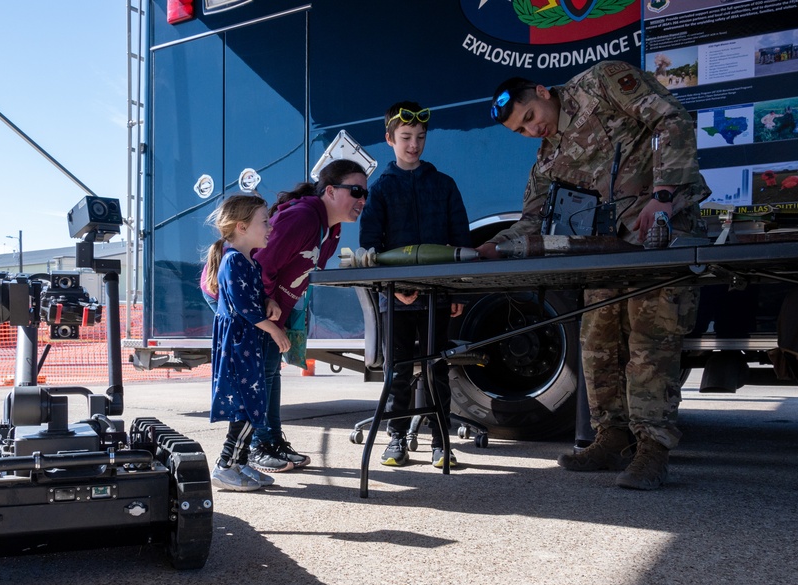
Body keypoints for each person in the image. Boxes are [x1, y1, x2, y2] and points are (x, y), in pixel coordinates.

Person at [479, 61, 711, 490]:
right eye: (521, 131)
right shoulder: (548, 156)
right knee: (597, 341)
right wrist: (492, 247)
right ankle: (611, 438)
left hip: (657, 234)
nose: (532, 131)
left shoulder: (602, 84)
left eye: (530, 118)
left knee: (650, 342)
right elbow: (534, 217)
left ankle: (652, 451)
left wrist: (663, 195)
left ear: (543, 92)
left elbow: (669, 116)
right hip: (606, 252)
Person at [359, 101, 471, 468]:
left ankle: (442, 444)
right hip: (397, 297)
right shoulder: (381, 190)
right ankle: (396, 440)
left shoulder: (445, 185)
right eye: (406, 137)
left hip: (439, 297)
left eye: (420, 137)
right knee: (399, 370)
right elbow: (371, 249)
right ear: (390, 138)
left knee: (438, 368)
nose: (414, 145)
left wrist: (455, 291)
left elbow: (461, 244)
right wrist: (391, 288)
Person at [247, 158, 369, 473]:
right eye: (356, 190)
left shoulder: (333, 229)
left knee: (271, 369)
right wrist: (266, 307)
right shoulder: (302, 218)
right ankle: (255, 445)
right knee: (261, 371)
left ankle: (272, 439)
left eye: (366, 193)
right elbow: (258, 263)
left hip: (273, 303)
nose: (362, 200)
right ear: (330, 190)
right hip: (241, 295)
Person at [204, 194, 291, 491]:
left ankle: (240, 464)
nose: (270, 228)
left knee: (252, 403)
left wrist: (268, 299)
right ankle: (226, 466)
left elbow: (248, 298)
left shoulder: (248, 262)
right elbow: (242, 307)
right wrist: (275, 330)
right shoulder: (233, 261)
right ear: (242, 227)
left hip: (247, 344)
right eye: (264, 222)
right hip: (239, 346)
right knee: (247, 406)